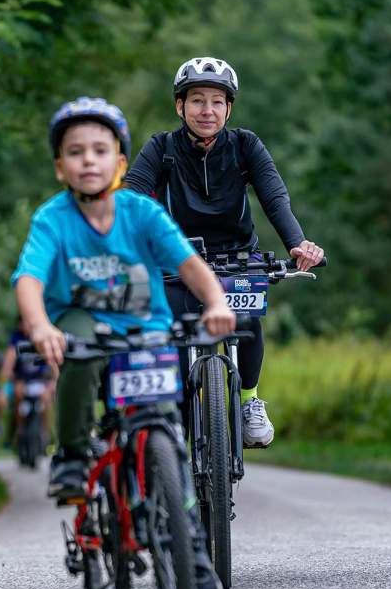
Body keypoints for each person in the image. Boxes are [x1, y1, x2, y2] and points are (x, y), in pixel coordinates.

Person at [11, 96, 235, 589]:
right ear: (59, 166)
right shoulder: (53, 219)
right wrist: (41, 325)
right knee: (78, 348)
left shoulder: (141, 212)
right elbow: (29, 277)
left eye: (99, 150)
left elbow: (189, 264)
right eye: (75, 151)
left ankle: (191, 550)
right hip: (82, 323)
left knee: (168, 435)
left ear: (119, 162)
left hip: (145, 330)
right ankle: (70, 452)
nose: (87, 159)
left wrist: (216, 303)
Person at [125, 57, 325, 447]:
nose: (207, 110)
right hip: (177, 260)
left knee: (246, 320)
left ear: (228, 108)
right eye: (197, 100)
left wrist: (296, 242)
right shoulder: (162, 148)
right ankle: (174, 440)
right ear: (179, 106)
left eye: (217, 101)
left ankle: (249, 401)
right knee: (174, 340)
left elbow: (274, 196)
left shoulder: (246, 145)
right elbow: (132, 196)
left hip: (237, 257)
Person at [1, 316, 55, 449]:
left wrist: (52, 382)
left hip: (40, 381)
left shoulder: (41, 336)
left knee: (46, 400)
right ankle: (19, 431)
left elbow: (52, 361)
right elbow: (8, 363)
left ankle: (45, 433)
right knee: (18, 396)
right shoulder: (16, 339)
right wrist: (12, 378)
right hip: (22, 381)